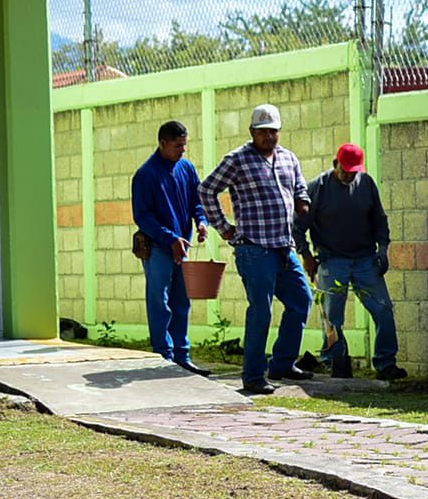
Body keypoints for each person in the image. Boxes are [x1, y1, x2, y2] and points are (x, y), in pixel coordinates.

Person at [201, 104, 312, 396]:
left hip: (284, 247)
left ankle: (282, 364)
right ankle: (252, 375)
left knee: (301, 301)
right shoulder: (237, 160)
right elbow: (206, 190)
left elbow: (299, 186)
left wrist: (302, 201)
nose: (269, 137)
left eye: (273, 131)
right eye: (263, 132)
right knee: (261, 312)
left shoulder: (289, 158)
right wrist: (223, 227)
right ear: (252, 132)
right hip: (255, 249)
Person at [301, 142, 405, 381]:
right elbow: (299, 226)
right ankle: (336, 361)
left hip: (365, 260)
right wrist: (306, 256)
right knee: (332, 315)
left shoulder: (366, 183)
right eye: (344, 170)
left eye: (353, 171)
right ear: (334, 164)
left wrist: (383, 249)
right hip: (331, 260)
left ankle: (386, 363)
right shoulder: (318, 187)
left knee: (383, 310)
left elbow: (380, 219)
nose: (349, 175)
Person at [130, 120, 212, 375]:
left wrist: (201, 222)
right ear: (163, 143)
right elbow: (142, 216)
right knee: (159, 301)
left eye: (185, 145)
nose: (182, 151)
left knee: (181, 301)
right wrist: (169, 238)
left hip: (182, 246)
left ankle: (182, 355)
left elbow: (196, 201)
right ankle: (162, 356)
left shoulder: (186, 168)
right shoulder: (146, 174)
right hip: (158, 248)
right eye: (177, 146)